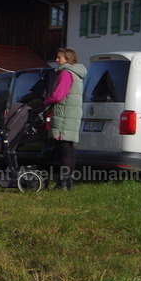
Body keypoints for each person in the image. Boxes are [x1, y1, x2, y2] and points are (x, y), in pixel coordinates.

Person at [44, 47, 87, 190]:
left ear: (67, 59)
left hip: (64, 115)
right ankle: (68, 182)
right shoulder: (76, 74)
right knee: (68, 148)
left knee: (64, 149)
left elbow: (58, 95)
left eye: (59, 57)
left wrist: (46, 101)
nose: (57, 60)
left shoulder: (65, 73)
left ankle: (63, 182)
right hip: (72, 114)